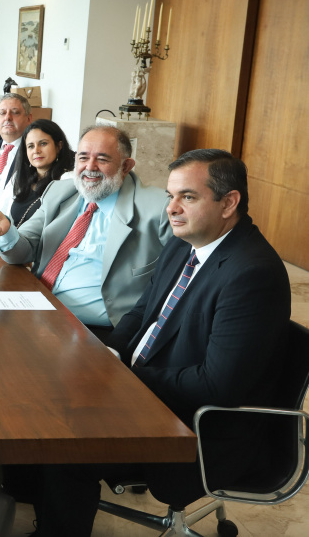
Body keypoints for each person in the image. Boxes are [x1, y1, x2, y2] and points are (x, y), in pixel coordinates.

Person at [30, 149, 291, 536]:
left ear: (229, 202)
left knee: (64, 443)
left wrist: (126, 376)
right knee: (38, 396)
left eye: (188, 196)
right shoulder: (186, 242)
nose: (172, 209)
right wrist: (109, 353)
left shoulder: (252, 275)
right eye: (171, 196)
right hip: (147, 390)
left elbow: (216, 385)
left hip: (197, 427)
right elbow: (142, 312)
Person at [0, 126, 171, 335]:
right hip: (38, 309)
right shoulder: (60, 192)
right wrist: (7, 233)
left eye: (102, 159)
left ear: (126, 166)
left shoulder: (158, 208)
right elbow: (23, 251)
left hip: (95, 331)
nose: (90, 167)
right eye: (83, 157)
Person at [9, 119, 75, 227]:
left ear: (59, 146)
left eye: (43, 144)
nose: (36, 150)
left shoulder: (66, 182)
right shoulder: (24, 178)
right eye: (30, 146)